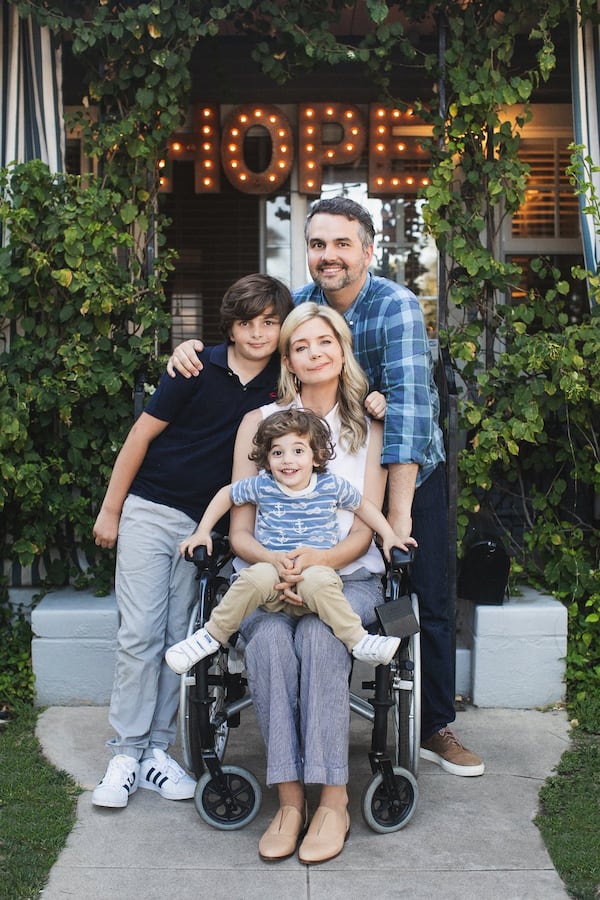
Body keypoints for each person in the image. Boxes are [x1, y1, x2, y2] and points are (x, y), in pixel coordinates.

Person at [168, 197, 484, 779]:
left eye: (342, 243)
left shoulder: (397, 305)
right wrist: (195, 351)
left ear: (367, 249)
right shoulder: (304, 304)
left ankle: (437, 723)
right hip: (311, 470)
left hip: (405, 464)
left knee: (426, 597)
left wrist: (396, 522)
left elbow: (410, 415)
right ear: (307, 251)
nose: (329, 255)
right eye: (318, 244)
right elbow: (255, 347)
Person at [90, 274, 294, 809]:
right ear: (230, 325)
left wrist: (377, 401)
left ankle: (156, 752)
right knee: (139, 634)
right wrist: (112, 510)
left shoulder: (283, 380)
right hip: (153, 509)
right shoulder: (196, 366)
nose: (258, 333)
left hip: (209, 527)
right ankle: (124, 754)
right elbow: (142, 434)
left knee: (179, 638)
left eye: (270, 323)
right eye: (247, 323)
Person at [223, 303, 405, 864]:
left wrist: (318, 563)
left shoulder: (368, 425)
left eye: (326, 341)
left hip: (346, 580)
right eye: (301, 345)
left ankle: (334, 799)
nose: (315, 352)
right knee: (276, 639)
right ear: (289, 360)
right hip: (266, 579)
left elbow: (363, 526)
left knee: (322, 638)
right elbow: (239, 529)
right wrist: (281, 566)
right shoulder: (261, 424)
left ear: (343, 349)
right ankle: (290, 800)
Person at [165, 407, 416, 676]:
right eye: (277, 453)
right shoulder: (263, 486)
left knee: (317, 580)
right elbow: (227, 495)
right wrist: (203, 530)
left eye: (298, 451)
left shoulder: (330, 486)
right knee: (254, 577)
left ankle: (358, 641)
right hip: (274, 581)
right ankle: (210, 637)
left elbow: (363, 507)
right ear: (266, 459)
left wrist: (389, 535)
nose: (287, 460)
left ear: (316, 457)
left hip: (314, 583)